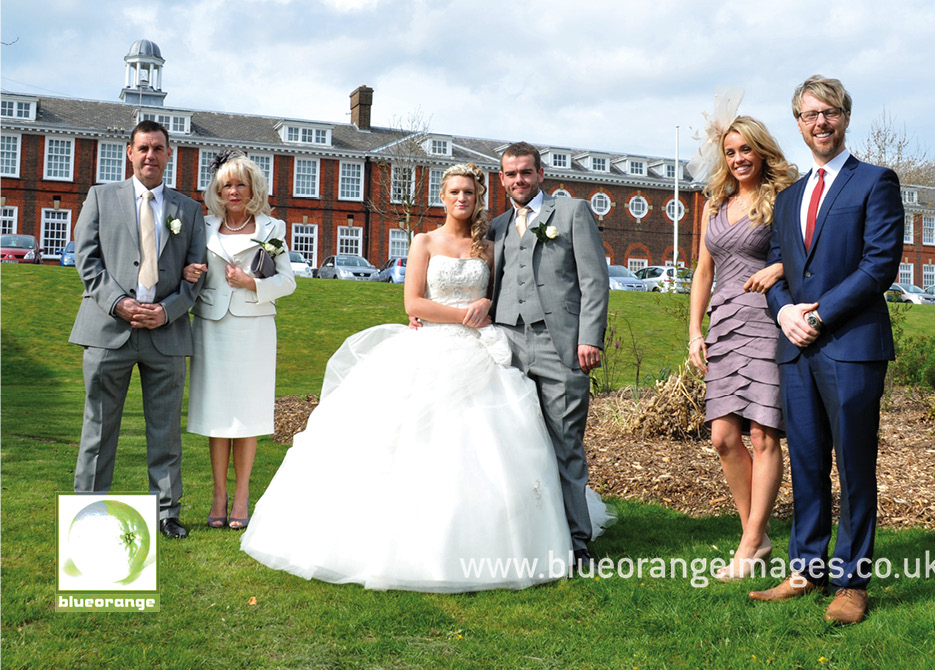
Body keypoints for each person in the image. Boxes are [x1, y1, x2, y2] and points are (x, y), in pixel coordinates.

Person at [240, 163, 612, 591]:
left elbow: (507, 286)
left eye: (469, 193)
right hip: (433, 345)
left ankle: (525, 534)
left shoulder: (490, 241)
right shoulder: (424, 240)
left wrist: (487, 305)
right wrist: (464, 314)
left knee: (494, 445)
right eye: (454, 191)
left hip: (483, 353)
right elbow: (412, 302)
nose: (461, 199)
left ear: (478, 197)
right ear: (442, 195)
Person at [749, 76, 904, 624]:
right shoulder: (788, 198)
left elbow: (878, 265)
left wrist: (819, 313)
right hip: (796, 347)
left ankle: (852, 583)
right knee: (808, 462)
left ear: (844, 117)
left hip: (851, 345)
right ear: (797, 122)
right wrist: (786, 311)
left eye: (830, 112)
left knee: (855, 465)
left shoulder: (875, 183)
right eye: (810, 114)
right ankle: (805, 568)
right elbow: (777, 266)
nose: (821, 122)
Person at [70, 120, 206, 539]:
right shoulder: (100, 197)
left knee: (165, 432)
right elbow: (86, 260)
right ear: (129, 152)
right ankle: (89, 509)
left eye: (158, 149)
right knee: (99, 427)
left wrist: (167, 311)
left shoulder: (189, 210)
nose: (151, 155)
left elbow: (197, 275)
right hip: (108, 331)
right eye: (143, 148)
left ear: (170, 155)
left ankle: (166, 512)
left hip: (165, 335)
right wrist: (119, 303)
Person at [686, 106, 798, 581]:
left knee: (763, 434)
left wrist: (780, 269)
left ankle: (751, 542)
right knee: (723, 437)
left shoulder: (782, 199)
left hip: (767, 321)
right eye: (730, 152)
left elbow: (807, 255)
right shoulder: (714, 204)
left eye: (745, 148)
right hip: (724, 324)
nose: (737, 158)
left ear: (761, 149)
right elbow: (702, 272)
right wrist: (695, 332)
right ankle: (760, 533)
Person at [489, 142, 611, 567]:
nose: (518, 180)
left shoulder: (572, 212)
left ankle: (578, 543)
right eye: (510, 174)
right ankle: (522, 538)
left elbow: (595, 280)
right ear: (501, 179)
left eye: (526, 172)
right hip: (505, 346)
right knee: (511, 446)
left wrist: (589, 337)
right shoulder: (497, 225)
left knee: (565, 443)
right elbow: (482, 285)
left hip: (558, 344)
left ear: (541, 174)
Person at [182, 150, 296, 530]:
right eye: (226, 185)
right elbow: (190, 270)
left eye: (240, 184)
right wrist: (188, 270)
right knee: (217, 413)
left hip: (255, 330)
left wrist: (253, 283)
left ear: (253, 188)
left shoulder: (272, 229)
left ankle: (243, 494)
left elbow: (288, 282)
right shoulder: (204, 226)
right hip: (212, 328)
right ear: (217, 190)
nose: (233, 191)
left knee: (247, 414)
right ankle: (218, 494)